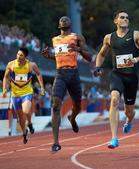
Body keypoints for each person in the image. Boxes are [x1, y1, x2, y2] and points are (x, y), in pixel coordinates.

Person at [94, 10, 139, 149]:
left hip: (131, 77)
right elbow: (101, 54)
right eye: (122, 17)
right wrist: (98, 67)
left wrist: (136, 59)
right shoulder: (109, 38)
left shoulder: (135, 35)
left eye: (127, 17)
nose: (125, 19)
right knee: (114, 100)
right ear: (116, 21)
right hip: (117, 75)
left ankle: (128, 121)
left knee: (129, 111)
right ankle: (114, 138)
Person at [41, 16, 92, 152]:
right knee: (56, 105)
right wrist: (48, 56)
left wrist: (79, 49)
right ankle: (56, 142)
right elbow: (58, 57)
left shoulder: (77, 37)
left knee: (77, 106)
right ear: (59, 25)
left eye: (66, 18)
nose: (63, 19)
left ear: (69, 24)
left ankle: (72, 118)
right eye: (61, 19)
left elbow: (89, 57)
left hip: (74, 74)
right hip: (60, 74)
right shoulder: (55, 40)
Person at [2, 47, 45, 144]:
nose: (18, 56)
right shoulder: (11, 64)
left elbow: (38, 74)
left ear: (25, 56)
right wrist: (5, 88)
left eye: (21, 55)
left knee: (26, 111)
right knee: (20, 116)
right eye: (17, 54)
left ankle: (29, 123)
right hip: (15, 94)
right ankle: (24, 133)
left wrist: (42, 88)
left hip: (27, 92)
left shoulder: (31, 65)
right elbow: (5, 77)